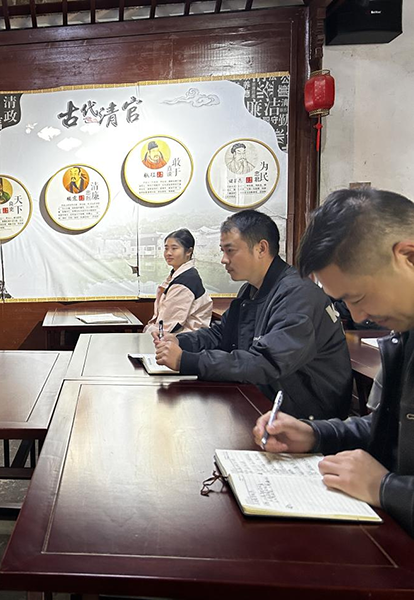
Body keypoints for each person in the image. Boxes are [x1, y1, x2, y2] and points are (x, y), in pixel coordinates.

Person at [254, 188, 414, 535]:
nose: (358, 316)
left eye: (358, 297)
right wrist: (314, 434)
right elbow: (392, 431)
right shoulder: (405, 333)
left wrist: (386, 488)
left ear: (408, 257)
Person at [153, 210, 352, 420]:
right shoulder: (252, 289)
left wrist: (186, 361)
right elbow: (222, 334)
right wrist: (179, 341)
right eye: (222, 251)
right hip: (265, 396)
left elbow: (264, 362)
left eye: (230, 251)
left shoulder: (297, 295)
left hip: (305, 416)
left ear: (261, 249)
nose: (223, 260)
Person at [144, 228, 212, 335]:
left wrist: (147, 333)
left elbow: (167, 326)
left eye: (174, 248)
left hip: (184, 339)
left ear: (189, 251)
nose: (168, 253)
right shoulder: (180, 275)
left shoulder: (186, 281)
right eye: (166, 248)